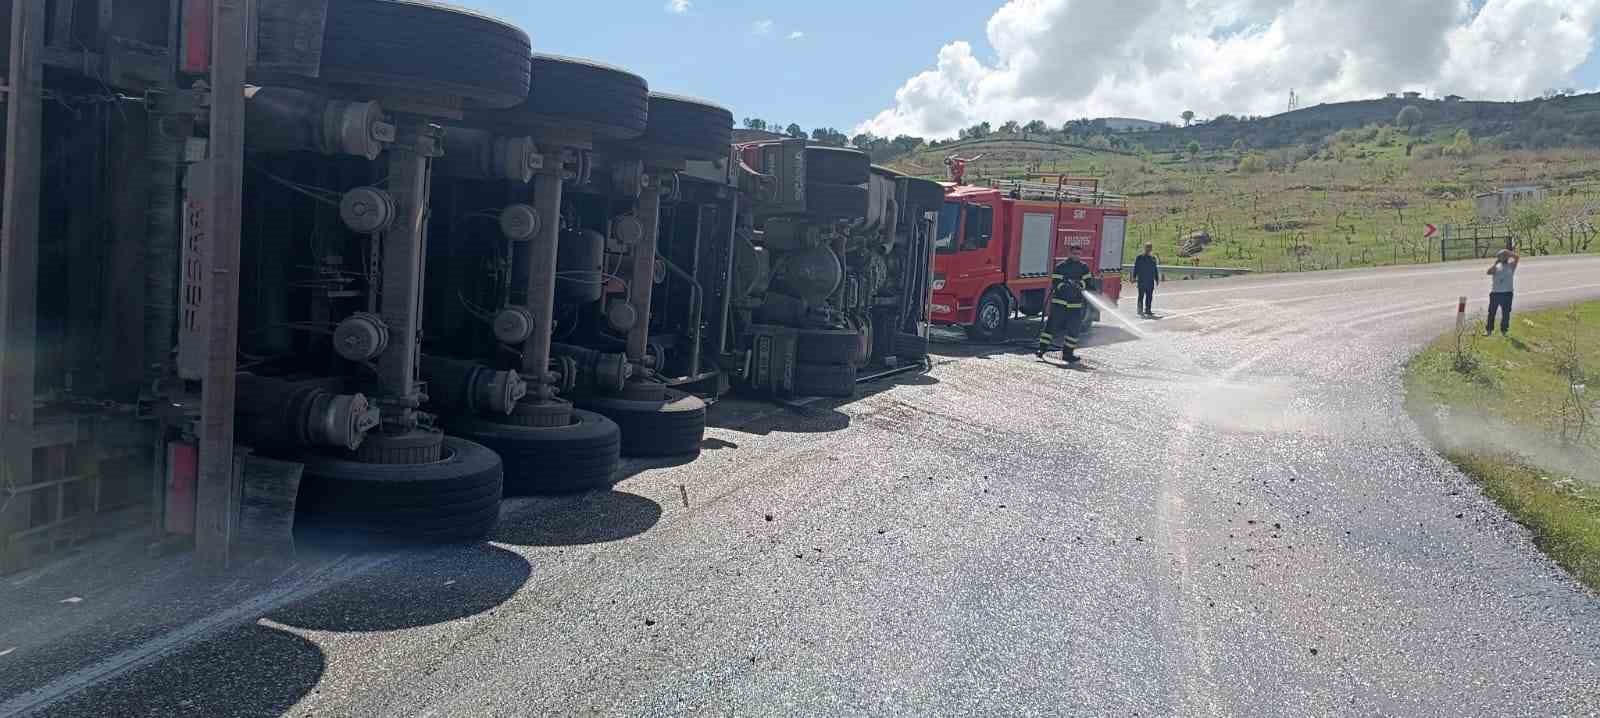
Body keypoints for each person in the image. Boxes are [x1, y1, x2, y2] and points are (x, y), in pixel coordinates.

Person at [1036, 246, 1092, 363]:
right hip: (1059, 304)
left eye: (1078, 254)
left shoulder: (1084, 268)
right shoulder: (1061, 267)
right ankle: (1042, 350)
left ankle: (1068, 354)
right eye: (1074, 253)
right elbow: (1056, 282)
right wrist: (1065, 287)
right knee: (1050, 327)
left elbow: (1088, 283)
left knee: (1073, 331)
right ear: (1069, 253)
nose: (1076, 256)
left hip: (1075, 306)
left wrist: (1079, 284)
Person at [1485, 247, 1520, 336]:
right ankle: (1489, 330)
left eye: (1504, 256)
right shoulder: (1496, 266)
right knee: (1491, 312)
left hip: (1507, 293)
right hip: (1495, 293)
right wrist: (1495, 264)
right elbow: (1488, 272)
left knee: (1506, 313)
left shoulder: (1511, 266)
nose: (1502, 257)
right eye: (1500, 256)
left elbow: (1517, 257)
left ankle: (1504, 331)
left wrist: (1507, 252)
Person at [1131, 242, 1160, 316]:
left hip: (1150, 281)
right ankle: (1140, 310)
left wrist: (1157, 279)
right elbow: (1136, 268)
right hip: (1141, 280)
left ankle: (1148, 310)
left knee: (1149, 296)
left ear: (1151, 249)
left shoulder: (1153, 258)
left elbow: (1155, 269)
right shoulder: (1140, 257)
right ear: (1145, 248)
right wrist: (1134, 277)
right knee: (1141, 296)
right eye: (1147, 247)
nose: (1148, 249)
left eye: (1150, 247)